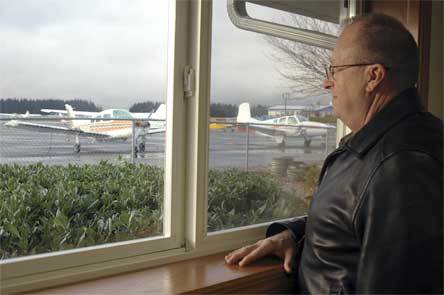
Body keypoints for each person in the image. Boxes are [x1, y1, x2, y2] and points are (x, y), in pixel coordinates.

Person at [225, 13, 443, 294]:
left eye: (335, 70)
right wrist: (296, 235)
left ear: (373, 76)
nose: (327, 83)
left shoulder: (402, 167)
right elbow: (361, 222)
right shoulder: (391, 144)